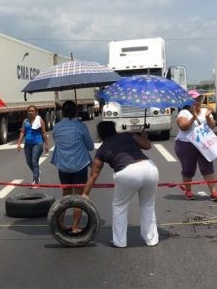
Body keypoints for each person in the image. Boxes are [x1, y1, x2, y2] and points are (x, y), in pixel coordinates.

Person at [82, 121, 159, 248]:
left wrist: (85, 194)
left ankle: (120, 241)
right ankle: (152, 239)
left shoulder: (102, 150)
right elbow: (147, 146)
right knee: (148, 205)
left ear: (100, 134)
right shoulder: (128, 135)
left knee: (120, 207)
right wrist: (143, 136)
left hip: (127, 172)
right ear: (114, 129)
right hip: (150, 168)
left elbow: (94, 174)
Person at [50, 100, 94, 233]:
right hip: (79, 165)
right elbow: (90, 146)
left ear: (62, 112)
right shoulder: (81, 126)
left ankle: (61, 222)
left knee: (66, 195)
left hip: (63, 166)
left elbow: (57, 140)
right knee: (79, 197)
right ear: (76, 111)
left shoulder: (57, 126)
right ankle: (75, 226)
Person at [174, 90, 217, 201]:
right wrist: (193, 117)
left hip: (203, 144)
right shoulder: (184, 113)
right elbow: (183, 127)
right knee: (188, 169)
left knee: (208, 167)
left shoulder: (205, 111)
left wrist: (208, 118)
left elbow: (212, 126)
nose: (197, 101)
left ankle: (213, 192)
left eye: (199, 99)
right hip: (186, 145)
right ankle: (188, 191)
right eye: (194, 99)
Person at [16, 105, 49, 187]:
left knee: (34, 161)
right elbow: (23, 132)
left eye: (32, 111)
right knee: (28, 162)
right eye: (29, 111)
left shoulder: (40, 121)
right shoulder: (25, 121)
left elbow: (44, 133)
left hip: (38, 144)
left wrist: (47, 144)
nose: (30, 112)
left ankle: (36, 180)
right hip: (27, 145)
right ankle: (37, 172)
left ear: (36, 112)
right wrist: (19, 143)